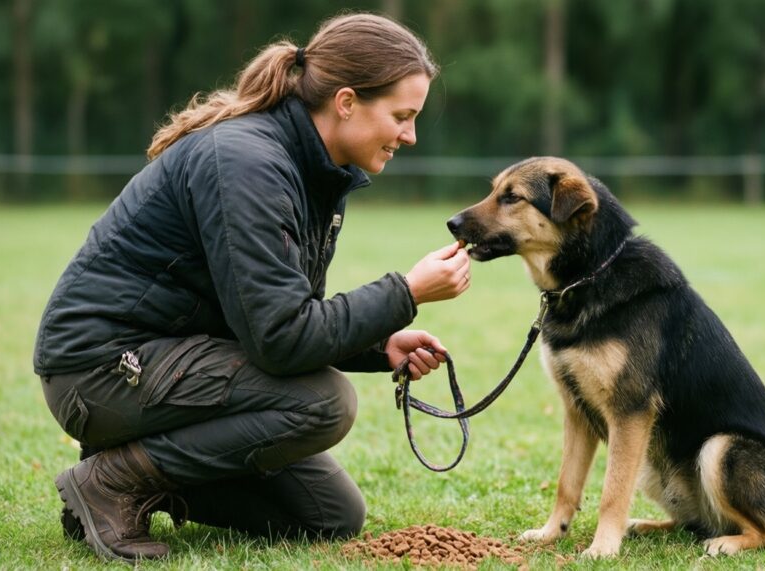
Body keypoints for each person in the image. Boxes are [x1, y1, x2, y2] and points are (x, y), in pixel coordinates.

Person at [35, 13, 470, 562]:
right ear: (346, 102)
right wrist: (404, 293)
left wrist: (378, 346)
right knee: (323, 403)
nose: (410, 135)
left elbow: (277, 310)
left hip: (168, 360)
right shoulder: (248, 162)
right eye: (402, 116)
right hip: (99, 371)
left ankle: (129, 475)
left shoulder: (314, 170)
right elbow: (281, 338)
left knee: (328, 514)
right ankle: (111, 483)